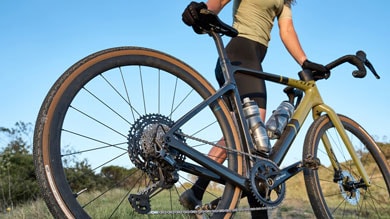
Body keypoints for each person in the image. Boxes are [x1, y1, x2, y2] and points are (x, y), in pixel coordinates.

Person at [180, 0, 329, 218]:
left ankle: (196, 192)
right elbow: (220, 1)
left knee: (238, 138)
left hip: (250, 61)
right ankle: (257, 213)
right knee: (257, 142)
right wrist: (204, 12)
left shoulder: (283, 1)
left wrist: (304, 62)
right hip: (239, 55)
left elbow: (286, 30)